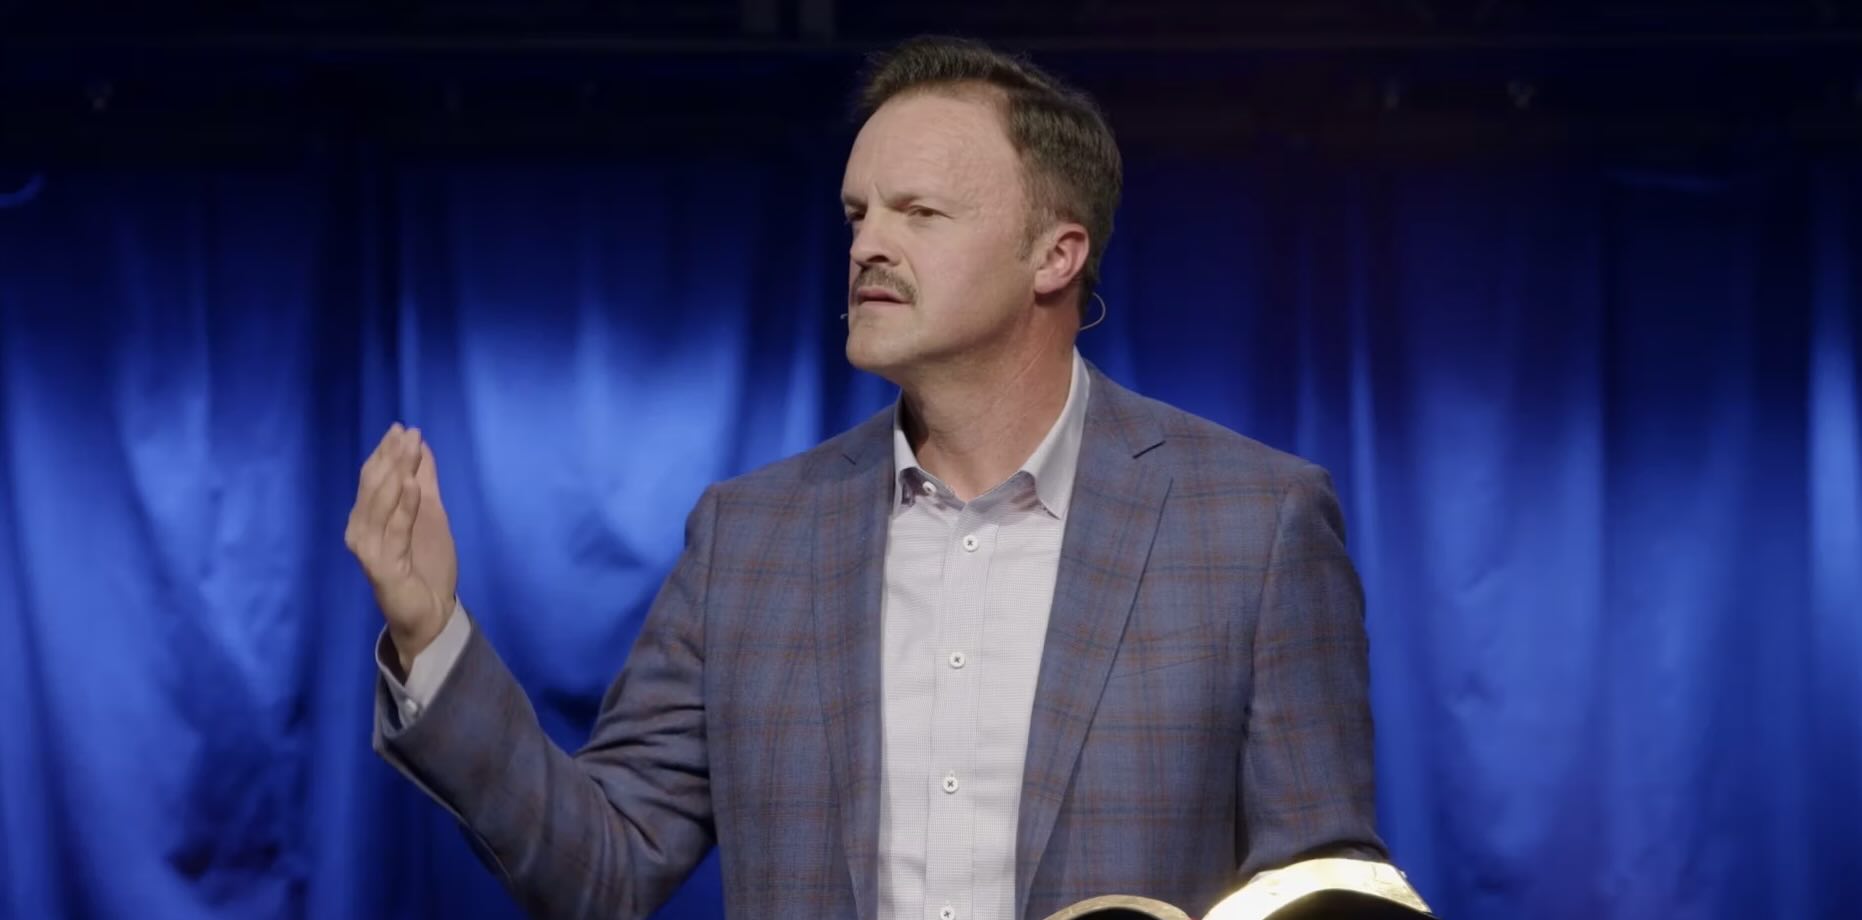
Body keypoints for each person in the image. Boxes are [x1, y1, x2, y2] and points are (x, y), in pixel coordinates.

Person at [346, 35, 1420, 920]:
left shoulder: (1254, 522)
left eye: (919, 212)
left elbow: (1324, 887)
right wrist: (431, 636)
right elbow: (603, 865)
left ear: (1054, 254)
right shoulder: (748, 537)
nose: (867, 244)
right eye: (858, 213)